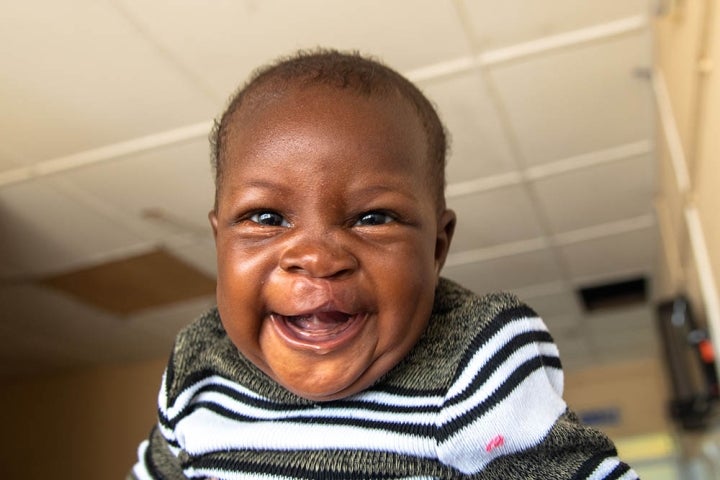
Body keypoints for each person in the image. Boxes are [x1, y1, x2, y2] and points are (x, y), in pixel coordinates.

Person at [130, 49, 638, 479]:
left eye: (373, 218)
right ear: (220, 241)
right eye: (266, 217)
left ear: (437, 248)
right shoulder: (197, 368)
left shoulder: (471, 365)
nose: (317, 258)